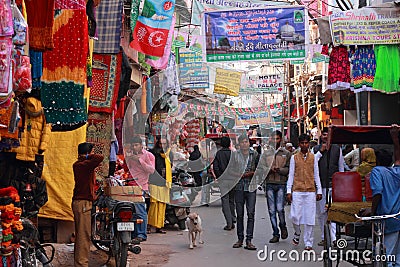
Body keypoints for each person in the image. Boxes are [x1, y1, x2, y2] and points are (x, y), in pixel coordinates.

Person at [360, 124, 400, 267]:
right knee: (397, 258)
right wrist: (395, 138)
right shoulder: (396, 172)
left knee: (387, 256)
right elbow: (398, 158)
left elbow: (377, 192)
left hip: (387, 218)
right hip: (398, 217)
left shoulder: (377, 171)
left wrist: (372, 210)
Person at [286, 134, 322, 251]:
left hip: (311, 191)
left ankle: (308, 243)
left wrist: (319, 190)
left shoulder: (313, 158)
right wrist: (288, 190)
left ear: (309, 144)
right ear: (299, 143)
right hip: (297, 190)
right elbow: (291, 174)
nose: (304, 145)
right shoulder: (294, 157)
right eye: (302, 143)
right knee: (295, 216)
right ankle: (297, 232)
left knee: (309, 218)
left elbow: (316, 175)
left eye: (306, 143)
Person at [72, 142, 103, 267]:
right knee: (83, 236)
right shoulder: (83, 165)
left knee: (82, 234)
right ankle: (81, 264)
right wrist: (86, 156)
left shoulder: (80, 165)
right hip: (82, 203)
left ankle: (80, 262)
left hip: (82, 202)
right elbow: (99, 158)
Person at [312, 127, 344, 247]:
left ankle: (334, 238)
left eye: (328, 135)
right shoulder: (315, 149)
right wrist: (321, 151)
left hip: (333, 185)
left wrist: (340, 185)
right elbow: (312, 163)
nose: (326, 137)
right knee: (321, 213)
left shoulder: (337, 149)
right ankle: (324, 236)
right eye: (324, 135)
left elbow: (341, 167)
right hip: (320, 186)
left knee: (332, 212)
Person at [231, 134, 260, 250]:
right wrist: (238, 175)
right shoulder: (235, 155)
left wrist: (250, 174)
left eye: (246, 142)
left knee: (251, 213)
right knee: (240, 214)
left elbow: (260, 169)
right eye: (242, 142)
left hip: (251, 187)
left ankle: (249, 240)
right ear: (239, 144)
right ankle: (240, 239)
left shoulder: (255, 155)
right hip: (239, 187)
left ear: (249, 143)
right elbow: (230, 170)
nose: (244, 144)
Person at [125, 136, 155, 242]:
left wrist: (139, 160)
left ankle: (141, 234)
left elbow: (151, 170)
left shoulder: (148, 156)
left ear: (141, 145)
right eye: (133, 145)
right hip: (129, 186)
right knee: (130, 211)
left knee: (140, 211)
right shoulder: (129, 155)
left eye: (136, 145)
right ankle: (132, 234)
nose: (134, 147)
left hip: (141, 186)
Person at [264, 130, 291, 243]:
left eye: (277, 139)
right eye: (273, 139)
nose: (275, 141)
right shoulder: (266, 154)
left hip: (281, 183)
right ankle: (275, 233)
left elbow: (289, 169)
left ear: (281, 140)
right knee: (271, 210)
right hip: (269, 183)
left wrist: (280, 170)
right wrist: (269, 170)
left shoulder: (286, 153)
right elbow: (261, 170)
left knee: (280, 208)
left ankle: (282, 225)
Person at [148, 137, 173, 234]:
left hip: (164, 182)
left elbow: (171, 166)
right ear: (157, 144)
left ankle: (159, 226)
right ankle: (150, 225)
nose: (162, 146)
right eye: (160, 144)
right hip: (154, 181)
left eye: (164, 144)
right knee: (154, 204)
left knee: (162, 205)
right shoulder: (153, 153)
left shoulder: (169, 154)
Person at [213, 136, 236, 231]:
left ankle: (229, 223)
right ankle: (233, 219)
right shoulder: (233, 154)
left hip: (223, 180)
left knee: (225, 201)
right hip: (232, 180)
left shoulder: (218, 154)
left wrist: (219, 176)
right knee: (231, 200)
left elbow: (216, 167)